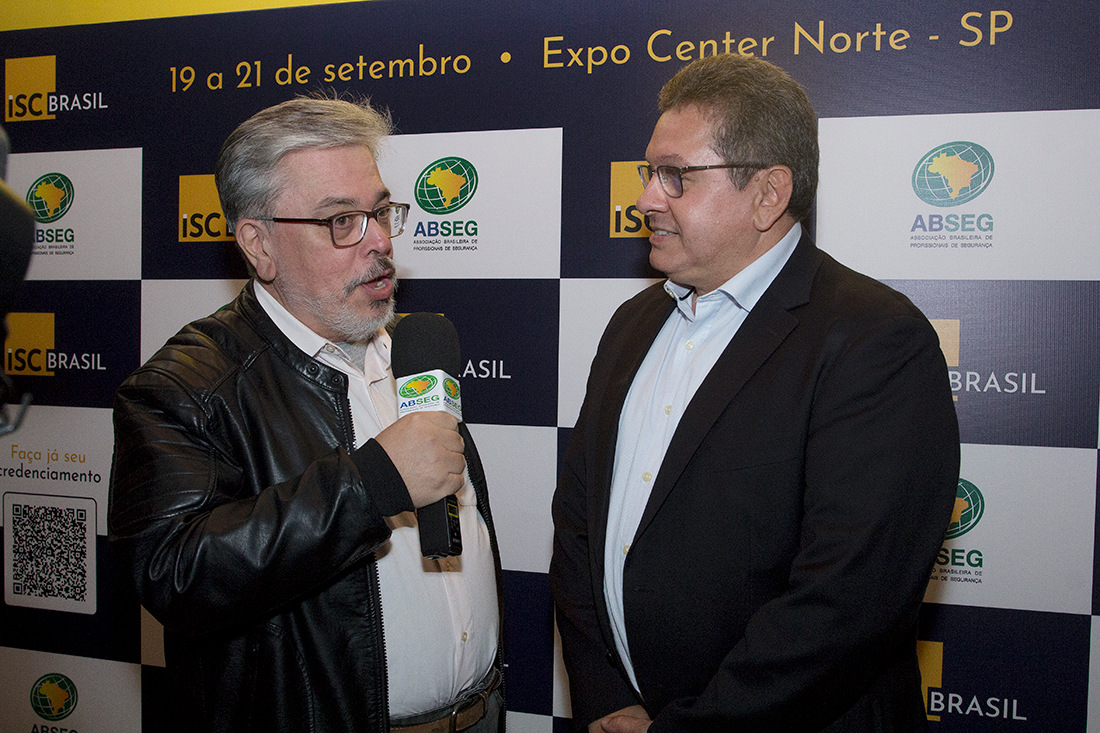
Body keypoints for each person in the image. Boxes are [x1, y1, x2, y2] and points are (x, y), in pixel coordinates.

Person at [550, 54, 959, 732]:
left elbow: (847, 602)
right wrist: (604, 697)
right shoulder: (632, 324)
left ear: (768, 193)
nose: (645, 199)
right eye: (649, 173)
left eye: (675, 176)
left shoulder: (875, 339)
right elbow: (578, 526)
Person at [108, 97, 503, 733]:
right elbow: (174, 574)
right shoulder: (186, 387)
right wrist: (371, 485)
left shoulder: (412, 351)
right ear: (259, 244)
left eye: (380, 212)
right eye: (341, 220)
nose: (380, 241)